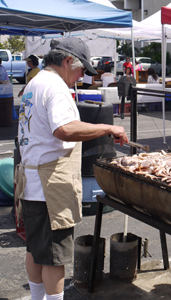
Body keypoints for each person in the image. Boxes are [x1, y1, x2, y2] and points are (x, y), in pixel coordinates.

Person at [16, 37, 128, 300]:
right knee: (55, 256)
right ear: (67, 62)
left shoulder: (35, 82)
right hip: (50, 186)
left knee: (35, 249)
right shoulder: (55, 86)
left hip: (31, 180)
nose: (81, 77)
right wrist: (108, 128)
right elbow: (64, 129)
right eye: (81, 70)